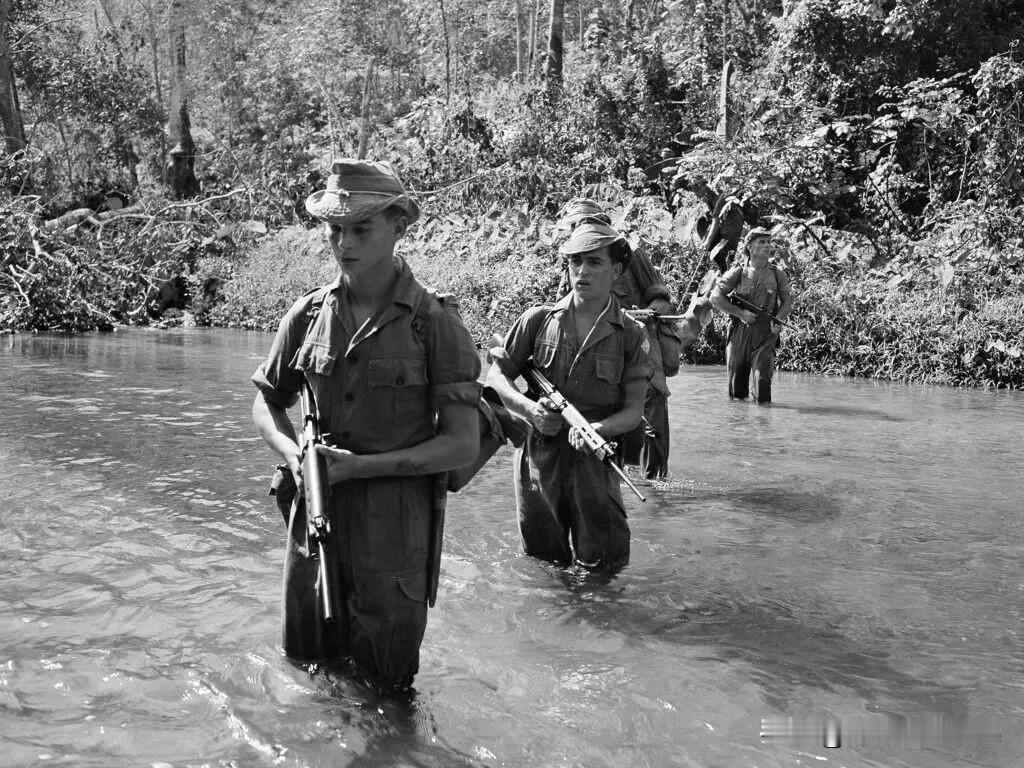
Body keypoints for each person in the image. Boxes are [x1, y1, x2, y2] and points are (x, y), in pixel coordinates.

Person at [250, 159, 481, 689]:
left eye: (360, 229)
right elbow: (266, 401)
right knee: (309, 672)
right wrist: (295, 458)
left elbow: (462, 445)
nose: (343, 243)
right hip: (315, 518)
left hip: (395, 531)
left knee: (387, 688)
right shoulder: (306, 316)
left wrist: (361, 469)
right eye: (334, 230)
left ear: (398, 226)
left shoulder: (436, 325)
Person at [487, 219, 652, 572]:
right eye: (576, 262)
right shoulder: (537, 319)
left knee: (604, 568)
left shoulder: (632, 336)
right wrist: (531, 411)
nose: (583, 271)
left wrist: (597, 428)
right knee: (543, 568)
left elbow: (633, 412)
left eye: (595, 262)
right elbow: (497, 377)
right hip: (538, 463)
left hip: (594, 464)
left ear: (617, 270)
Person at [555, 198, 678, 479]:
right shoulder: (573, 261)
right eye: (572, 226)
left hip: (639, 342)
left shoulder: (630, 254)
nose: (575, 231)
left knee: (652, 404)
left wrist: (646, 314)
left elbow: (661, 300)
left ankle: (656, 482)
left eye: (579, 224)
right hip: (595, 349)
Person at [710, 227, 794, 403]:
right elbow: (715, 297)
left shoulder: (778, 273)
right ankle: (740, 427)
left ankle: (762, 426)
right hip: (740, 331)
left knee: (763, 386)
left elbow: (787, 301)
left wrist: (778, 319)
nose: (767, 246)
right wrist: (740, 313)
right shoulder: (738, 271)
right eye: (761, 242)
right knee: (736, 391)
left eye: (769, 242)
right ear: (750, 247)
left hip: (766, 333)